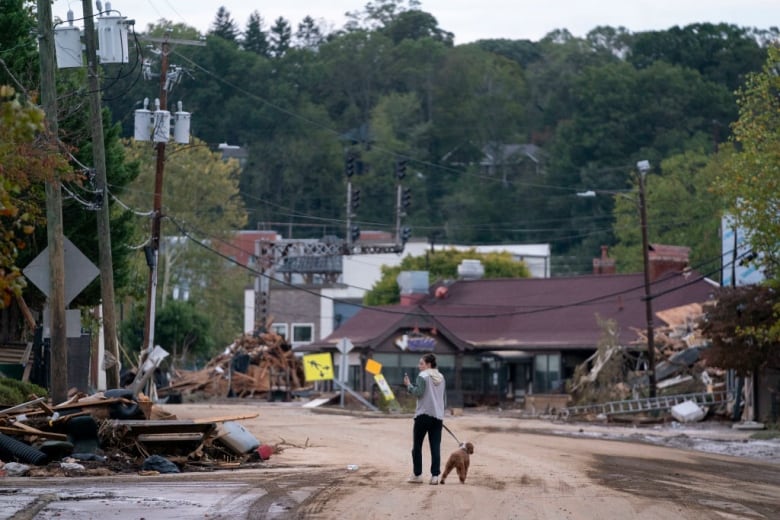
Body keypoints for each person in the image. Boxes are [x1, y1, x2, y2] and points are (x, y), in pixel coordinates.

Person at [403, 353, 446, 485]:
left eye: (421, 363)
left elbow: (418, 392)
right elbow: (442, 398)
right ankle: (435, 476)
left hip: (423, 415)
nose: (419, 366)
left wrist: (409, 385)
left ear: (428, 365)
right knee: (435, 447)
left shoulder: (423, 376)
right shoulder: (441, 377)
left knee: (417, 446)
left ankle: (417, 475)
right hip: (437, 417)